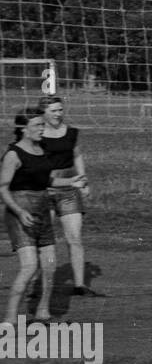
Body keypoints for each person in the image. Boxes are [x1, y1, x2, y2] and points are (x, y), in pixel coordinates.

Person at [2, 109, 86, 324]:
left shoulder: (41, 150)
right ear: (23, 129)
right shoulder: (13, 154)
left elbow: (46, 180)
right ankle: (10, 320)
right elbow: (2, 188)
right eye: (38, 125)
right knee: (30, 266)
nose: (42, 128)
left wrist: (72, 181)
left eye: (42, 124)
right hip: (21, 212)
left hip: (41, 208)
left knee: (49, 264)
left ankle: (42, 312)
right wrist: (19, 212)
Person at [39, 95, 100, 297]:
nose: (58, 114)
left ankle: (80, 285)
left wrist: (84, 182)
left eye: (60, 110)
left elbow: (77, 155)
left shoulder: (71, 132)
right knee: (45, 241)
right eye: (53, 110)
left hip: (69, 188)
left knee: (74, 238)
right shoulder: (36, 133)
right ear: (44, 112)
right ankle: (41, 287)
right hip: (44, 188)